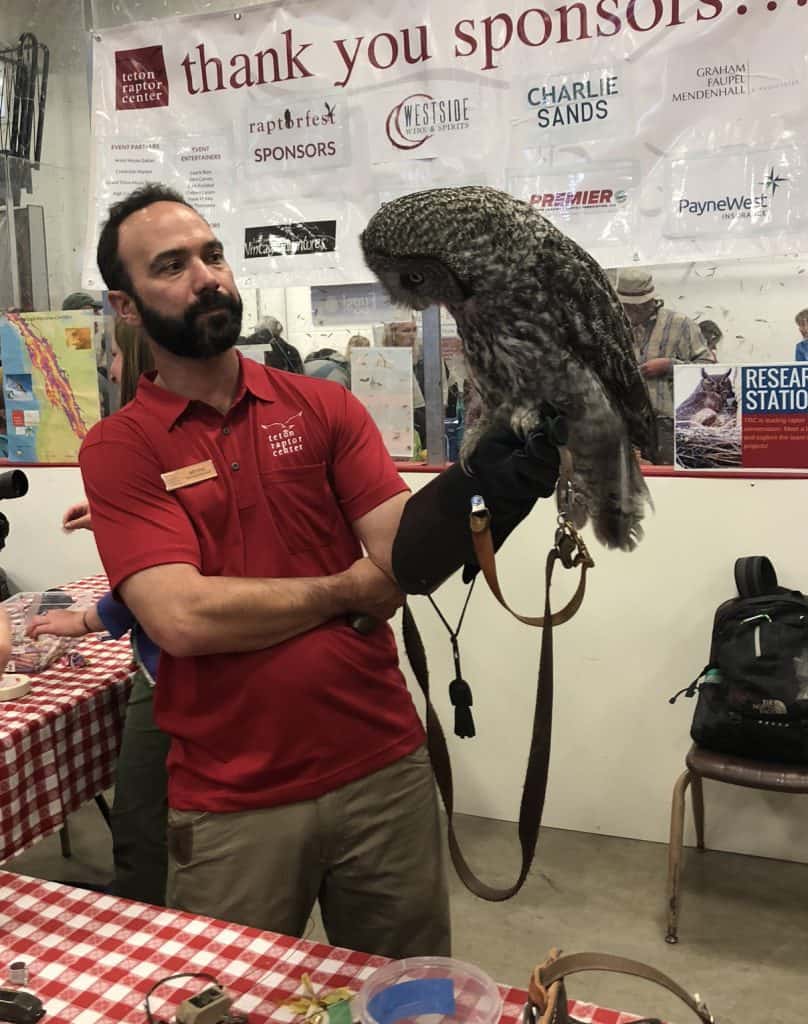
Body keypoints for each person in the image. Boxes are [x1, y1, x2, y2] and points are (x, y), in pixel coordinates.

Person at [79, 182, 448, 957]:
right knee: (230, 1005)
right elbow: (181, 619)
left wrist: (488, 487)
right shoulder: (121, 448)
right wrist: (343, 589)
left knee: (412, 998)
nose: (206, 277)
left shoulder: (323, 408)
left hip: (383, 767)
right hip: (233, 799)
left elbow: (397, 561)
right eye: (171, 266)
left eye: (213, 255)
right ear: (125, 305)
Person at [30, 319, 168, 907]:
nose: (109, 368)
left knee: (139, 810)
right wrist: (115, 512)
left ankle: (141, 914)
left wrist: (88, 621)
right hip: (173, 652)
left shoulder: (131, 437)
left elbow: (161, 575)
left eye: (112, 353)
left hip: (170, 666)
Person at [615, 268, 712, 464]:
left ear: (652, 300)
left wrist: (670, 366)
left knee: (670, 485)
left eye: (639, 307)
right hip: (625, 425)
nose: (633, 312)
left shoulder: (680, 324)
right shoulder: (613, 325)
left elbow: (708, 368)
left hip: (669, 425)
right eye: (627, 307)